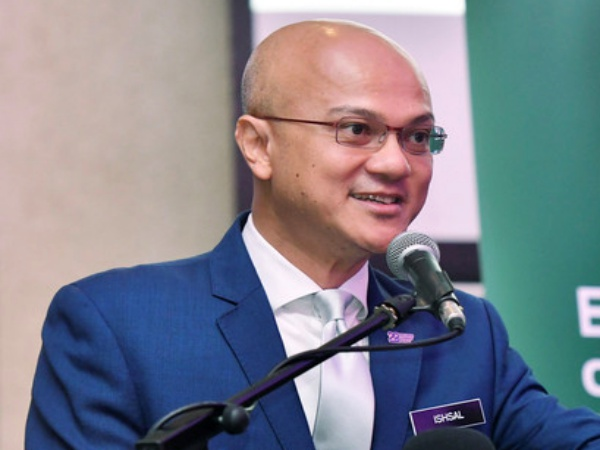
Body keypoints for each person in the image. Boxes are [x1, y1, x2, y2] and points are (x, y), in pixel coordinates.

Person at [26, 19, 600, 450]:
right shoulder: (118, 324)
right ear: (259, 145)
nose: (396, 164)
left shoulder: (459, 331)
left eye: (417, 137)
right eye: (357, 129)